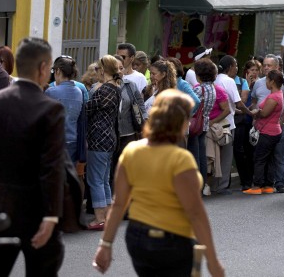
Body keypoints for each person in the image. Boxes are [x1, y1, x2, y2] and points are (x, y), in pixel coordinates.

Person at [93, 90, 224, 277]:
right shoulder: (180, 159)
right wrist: (213, 260)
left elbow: (119, 203)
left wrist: (105, 245)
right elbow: (195, 213)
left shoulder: (132, 151)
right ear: (180, 122)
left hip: (138, 237)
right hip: (173, 239)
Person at [0, 38, 66, 277]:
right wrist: (52, 214)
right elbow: (52, 167)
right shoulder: (50, 108)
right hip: (35, 208)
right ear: (43, 68)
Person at [85, 55, 122, 231]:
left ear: (103, 70)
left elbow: (87, 108)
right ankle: (106, 215)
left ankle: (100, 218)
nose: (96, 73)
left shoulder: (104, 90)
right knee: (104, 180)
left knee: (96, 180)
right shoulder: (116, 88)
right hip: (110, 138)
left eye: (98, 70)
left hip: (98, 139)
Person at [252, 55, 284, 193]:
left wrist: (282, 119)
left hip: (277, 125)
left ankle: (279, 183)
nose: (265, 67)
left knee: (278, 155)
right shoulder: (259, 83)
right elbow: (254, 101)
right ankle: (267, 183)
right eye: (264, 65)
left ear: (277, 67)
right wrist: (254, 116)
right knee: (264, 156)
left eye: (269, 65)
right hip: (261, 127)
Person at [213, 56, 255, 194]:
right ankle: (222, 186)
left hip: (213, 122)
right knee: (226, 156)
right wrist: (249, 112)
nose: (237, 68)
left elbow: (232, 106)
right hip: (227, 124)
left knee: (214, 155)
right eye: (236, 65)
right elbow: (238, 103)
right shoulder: (229, 81)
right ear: (230, 66)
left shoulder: (215, 79)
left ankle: (212, 185)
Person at [243, 70, 284, 195]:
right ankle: (268, 184)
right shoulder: (278, 93)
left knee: (259, 158)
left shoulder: (274, 97)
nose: (265, 82)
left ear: (272, 82)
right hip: (274, 130)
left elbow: (265, 113)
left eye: (267, 80)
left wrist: (256, 112)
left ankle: (257, 185)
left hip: (268, 132)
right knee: (270, 159)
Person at [111, 55, 147, 191]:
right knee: (110, 169)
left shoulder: (130, 85)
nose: (120, 71)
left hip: (128, 133)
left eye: (121, 68)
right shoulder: (103, 87)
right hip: (110, 134)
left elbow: (140, 104)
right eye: (116, 68)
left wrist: (144, 122)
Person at [187, 59, 218, 196]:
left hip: (194, 124)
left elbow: (191, 105)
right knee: (201, 155)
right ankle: (202, 183)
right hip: (204, 123)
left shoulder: (199, 88)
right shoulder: (212, 87)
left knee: (195, 156)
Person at [45, 56, 84, 162]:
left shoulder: (51, 92)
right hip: (73, 141)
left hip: (55, 141)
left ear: (58, 71)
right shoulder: (79, 91)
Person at [234, 60, 257, 190]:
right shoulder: (241, 83)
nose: (253, 73)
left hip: (252, 121)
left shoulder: (259, 84)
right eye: (251, 70)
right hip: (241, 121)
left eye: (255, 70)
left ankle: (250, 178)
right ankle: (245, 179)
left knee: (250, 151)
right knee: (239, 150)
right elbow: (241, 103)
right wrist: (247, 85)